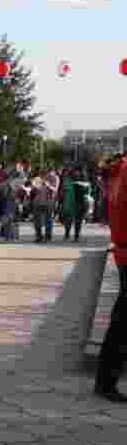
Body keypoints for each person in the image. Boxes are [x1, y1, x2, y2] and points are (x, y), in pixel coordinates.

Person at [96, 154, 127, 403]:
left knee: (121, 319)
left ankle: (105, 379)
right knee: (122, 322)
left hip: (123, 248)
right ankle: (107, 381)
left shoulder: (120, 169)